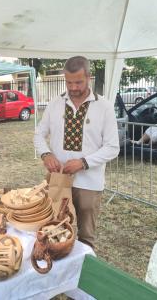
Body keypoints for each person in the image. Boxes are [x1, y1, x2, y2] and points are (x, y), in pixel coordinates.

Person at [34, 56, 119, 249]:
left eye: (78, 82)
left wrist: (84, 162)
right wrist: (46, 154)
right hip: (58, 179)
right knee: (53, 228)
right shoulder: (55, 103)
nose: (73, 87)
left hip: (89, 182)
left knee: (86, 236)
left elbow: (113, 147)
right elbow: (39, 134)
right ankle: (57, 270)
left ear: (89, 77)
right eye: (69, 82)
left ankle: (82, 272)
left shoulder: (104, 106)